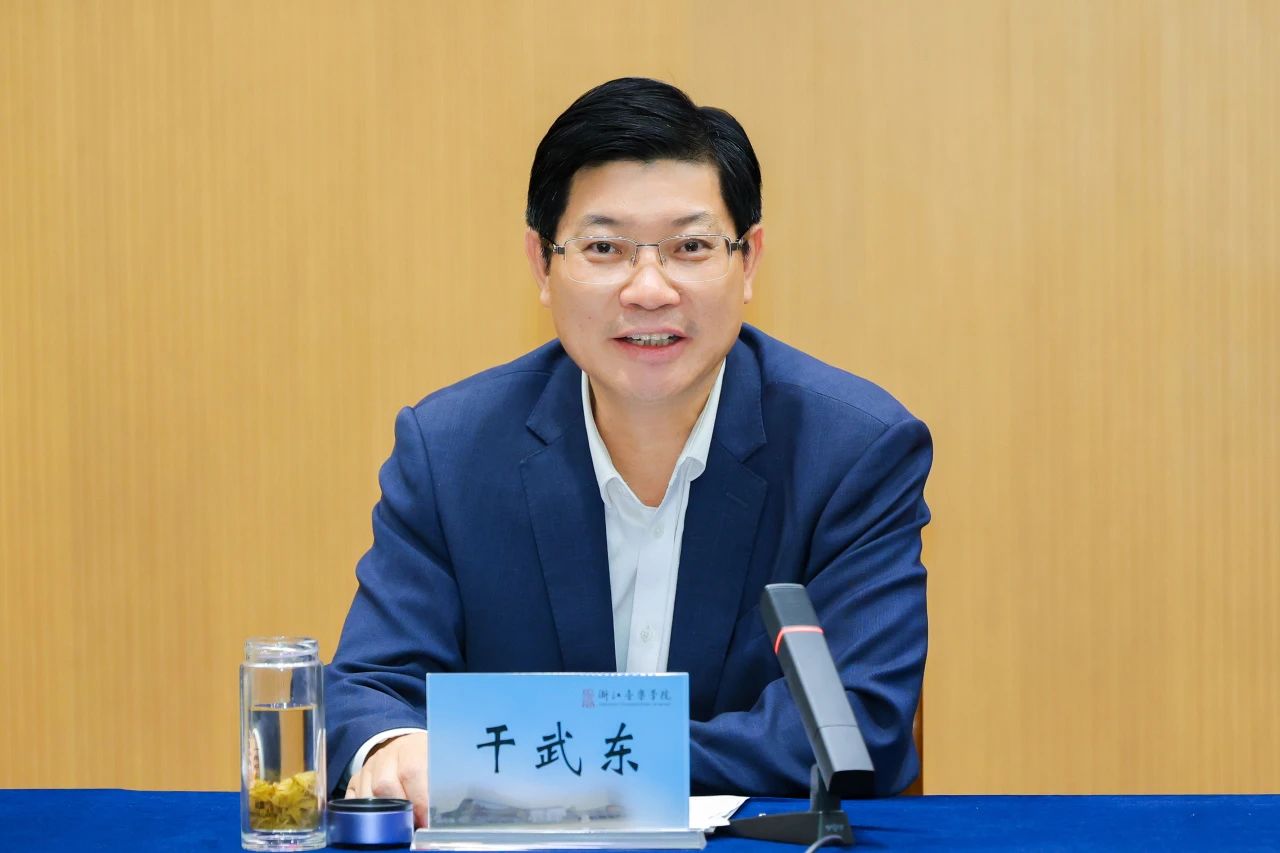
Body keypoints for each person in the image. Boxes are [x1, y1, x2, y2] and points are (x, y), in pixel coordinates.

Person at [326, 77, 930, 827]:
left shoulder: (853, 454)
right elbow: (368, 690)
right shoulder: (450, 453)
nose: (649, 289)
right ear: (542, 264)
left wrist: (525, 762)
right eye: (605, 247)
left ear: (749, 260)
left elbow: (853, 725)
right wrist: (393, 748)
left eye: (690, 247)